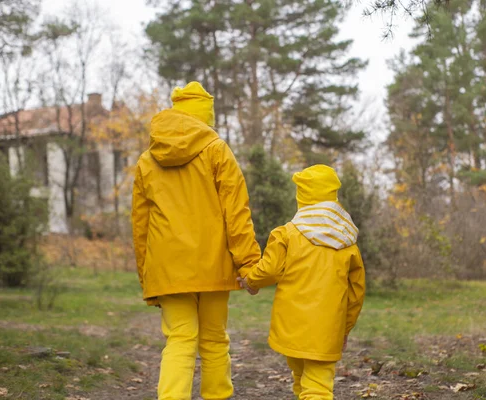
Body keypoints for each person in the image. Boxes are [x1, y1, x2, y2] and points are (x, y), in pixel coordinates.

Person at [131, 81, 261, 400]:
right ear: (205, 117)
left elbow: (141, 226)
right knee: (214, 339)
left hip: (168, 268)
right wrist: (249, 264)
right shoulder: (217, 149)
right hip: (213, 264)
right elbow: (237, 212)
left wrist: (147, 276)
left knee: (179, 338)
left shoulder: (147, 161)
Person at [238, 164, 366, 400]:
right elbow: (356, 293)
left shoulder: (287, 233)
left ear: (302, 197)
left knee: (300, 379)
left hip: (292, 326)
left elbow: (270, 270)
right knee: (318, 387)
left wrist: (250, 281)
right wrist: (344, 329)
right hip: (327, 330)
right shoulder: (348, 242)